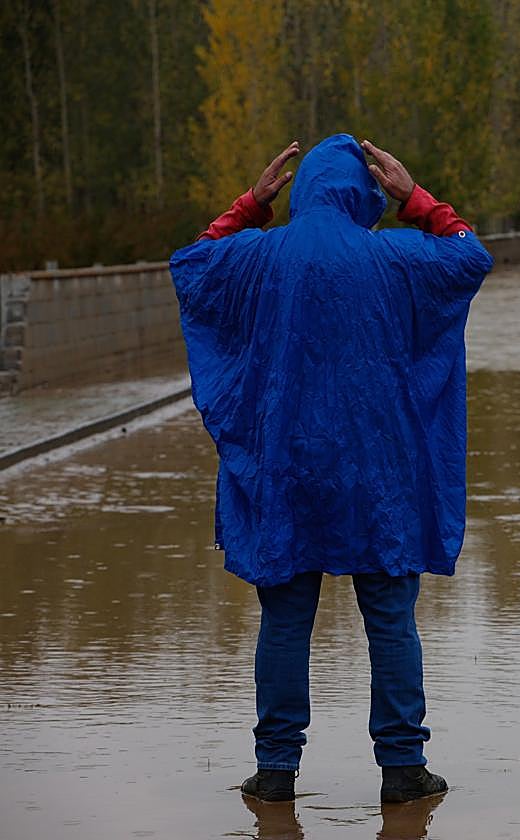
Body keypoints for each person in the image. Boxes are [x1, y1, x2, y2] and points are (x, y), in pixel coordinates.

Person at [169, 134, 493, 804]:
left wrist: (250, 205)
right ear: (364, 193)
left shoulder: (260, 258)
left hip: (286, 470)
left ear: (304, 188)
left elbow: (194, 263)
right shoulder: (394, 256)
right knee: (391, 620)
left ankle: (276, 772)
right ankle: (403, 769)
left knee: (284, 622)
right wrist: (418, 201)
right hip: (380, 477)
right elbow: (469, 257)